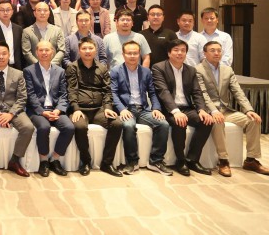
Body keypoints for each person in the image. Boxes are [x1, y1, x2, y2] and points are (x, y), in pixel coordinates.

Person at [196, 41, 269, 176]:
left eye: (219, 50)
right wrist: (214, 111)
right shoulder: (198, 69)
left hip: (226, 110)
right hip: (208, 110)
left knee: (253, 120)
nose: (216, 53)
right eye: (212, 50)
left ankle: (251, 160)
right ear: (205, 53)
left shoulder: (227, 70)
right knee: (218, 122)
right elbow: (202, 93)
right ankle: (223, 160)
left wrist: (249, 110)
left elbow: (238, 92)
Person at [151, 39, 214, 176]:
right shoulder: (158, 68)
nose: (180, 53)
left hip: (186, 107)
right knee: (180, 122)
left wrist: (202, 110)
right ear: (169, 53)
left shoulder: (191, 70)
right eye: (176, 50)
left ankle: (192, 159)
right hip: (168, 109)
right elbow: (163, 92)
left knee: (207, 121)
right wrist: (176, 111)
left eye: (183, 50)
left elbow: (197, 92)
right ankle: (181, 161)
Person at [110, 41, 172, 176]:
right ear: (123, 54)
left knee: (163, 124)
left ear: (139, 54)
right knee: (128, 126)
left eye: (135, 53)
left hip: (143, 109)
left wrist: (156, 108)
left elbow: (153, 92)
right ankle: (132, 162)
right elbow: (113, 93)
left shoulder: (146, 71)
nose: (132, 56)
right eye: (129, 53)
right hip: (127, 109)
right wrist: (121, 109)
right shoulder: (115, 71)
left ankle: (156, 161)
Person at [67, 37, 123, 177]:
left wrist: (108, 107)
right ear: (79, 50)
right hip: (81, 109)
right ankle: (85, 162)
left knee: (116, 123)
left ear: (95, 50)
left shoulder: (102, 68)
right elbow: (71, 90)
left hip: (99, 109)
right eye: (84, 48)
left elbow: (107, 91)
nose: (87, 51)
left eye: (90, 48)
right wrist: (75, 109)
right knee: (80, 126)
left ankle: (107, 163)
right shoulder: (72, 67)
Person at [0, 41, 33, 178]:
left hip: (13, 110)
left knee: (28, 127)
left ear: (9, 55)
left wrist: (10, 114)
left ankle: (15, 161)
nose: (1, 57)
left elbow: (22, 98)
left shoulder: (18, 74)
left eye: (4, 54)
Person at [24, 41, 74, 177]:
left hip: (55, 109)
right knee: (44, 127)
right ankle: (44, 161)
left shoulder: (60, 71)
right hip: (37, 110)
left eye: (47, 50)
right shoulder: (29, 71)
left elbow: (64, 94)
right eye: (41, 50)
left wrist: (58, 110)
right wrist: (42, 112)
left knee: (69, 127)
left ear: (52, 52)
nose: (44, 53)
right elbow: (30, 95)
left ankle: (55, 159)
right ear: (36, 52)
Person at [21, 2, 65, 68]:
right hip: (34, 69)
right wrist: (40, 66)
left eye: (45, 10)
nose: (42, 13)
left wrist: (51, 65)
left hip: (54, 68)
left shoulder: (57, 30)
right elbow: (27, 52)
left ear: (49, 13)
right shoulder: (27, 31)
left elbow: (61, 50)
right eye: (39, 10)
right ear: (34, 13)